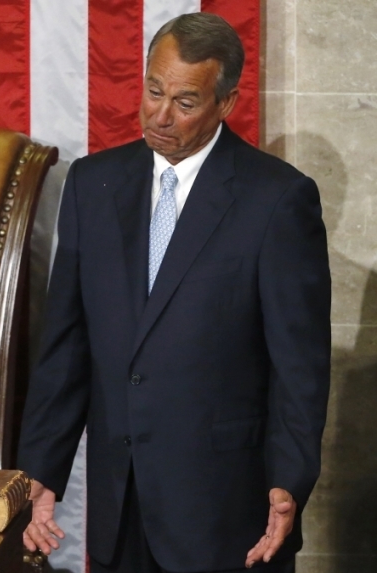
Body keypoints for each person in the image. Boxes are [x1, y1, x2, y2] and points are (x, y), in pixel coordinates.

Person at [17, 13, 330, 573]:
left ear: (226, 103)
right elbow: (67, 343)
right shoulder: (93, 184)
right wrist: (43, 471)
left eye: (184, 102)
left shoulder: (278, 200)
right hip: (120, 503)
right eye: (153, 91)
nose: (160, 115)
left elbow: (298, 364)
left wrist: (290, 479)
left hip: (226, 513)